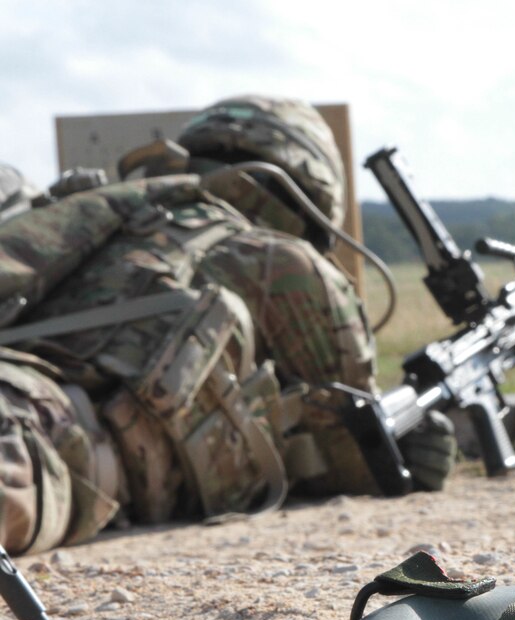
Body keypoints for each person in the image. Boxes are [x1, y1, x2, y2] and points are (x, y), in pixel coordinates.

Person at [0, 95, 456, 556]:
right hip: (55, 448)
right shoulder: (283, 262)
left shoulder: (105, 218)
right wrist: (414, 451)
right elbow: (352, 446)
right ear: (309, 197)